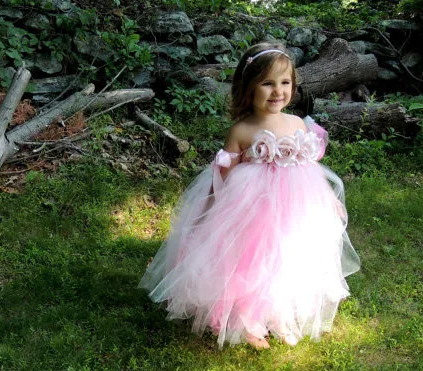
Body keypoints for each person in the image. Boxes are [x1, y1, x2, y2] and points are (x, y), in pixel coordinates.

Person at [139, 42, 360, 349]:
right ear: (248, 88)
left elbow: (308, 166)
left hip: (297, 206)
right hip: (253, 208)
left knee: (289, 258)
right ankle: (247, 321)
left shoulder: (297, 123)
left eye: (285, 83)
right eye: (267, 83)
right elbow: (224, 171)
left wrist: (326, 198)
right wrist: (219, 207)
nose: (277, 91)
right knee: (251, 263)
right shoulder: (242, 130)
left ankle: (280, 314)